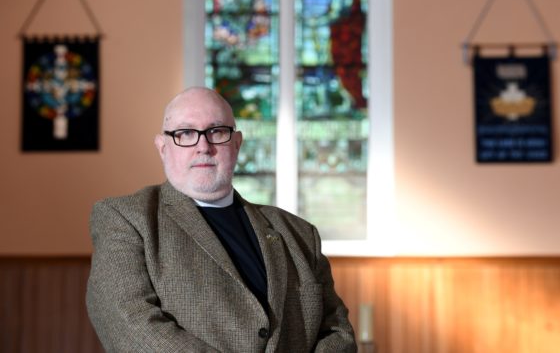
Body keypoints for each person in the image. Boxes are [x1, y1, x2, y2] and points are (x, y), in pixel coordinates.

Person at [86, 87, 357, 352]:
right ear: (163, 148)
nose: (203, 146)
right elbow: (130, 323)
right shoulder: (126, 218)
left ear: (236, 144)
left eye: (216, 131)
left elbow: (336, 332)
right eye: (186, 133)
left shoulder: (299, 234)